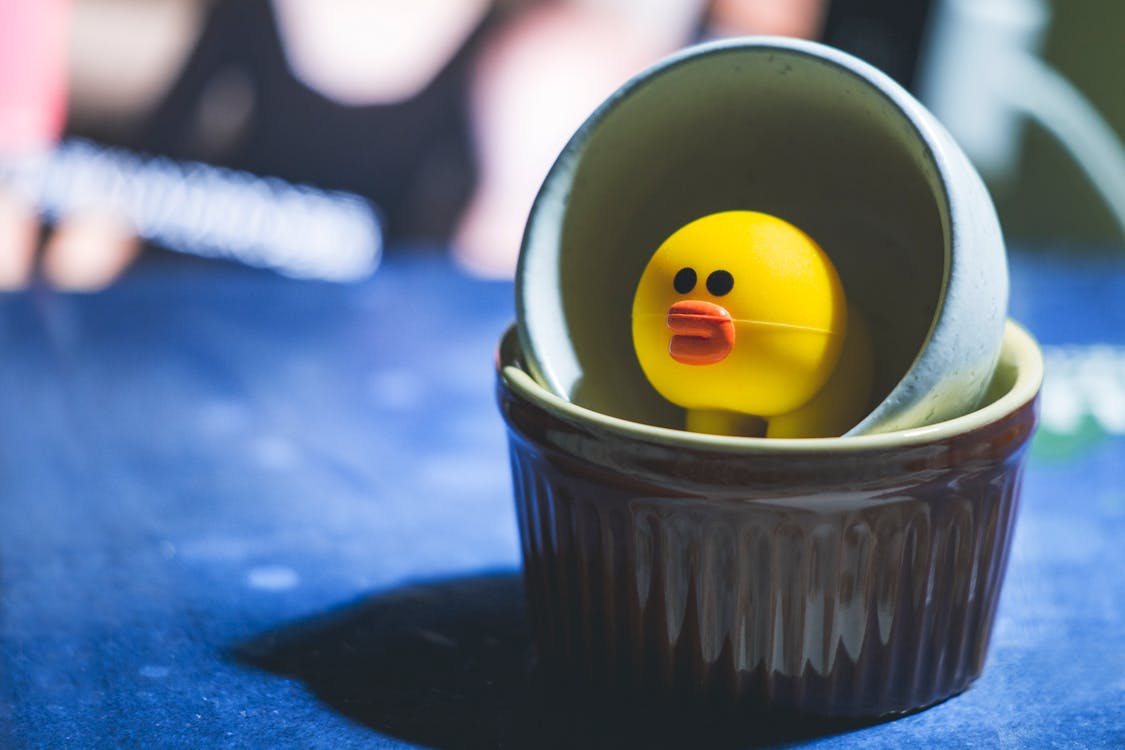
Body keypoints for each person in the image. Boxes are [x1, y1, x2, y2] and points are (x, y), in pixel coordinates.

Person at [1, 0, 831, 291]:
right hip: (175, 380)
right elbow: (121, 207)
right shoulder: (245, 19)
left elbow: (486, 292)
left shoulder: (529, 64)